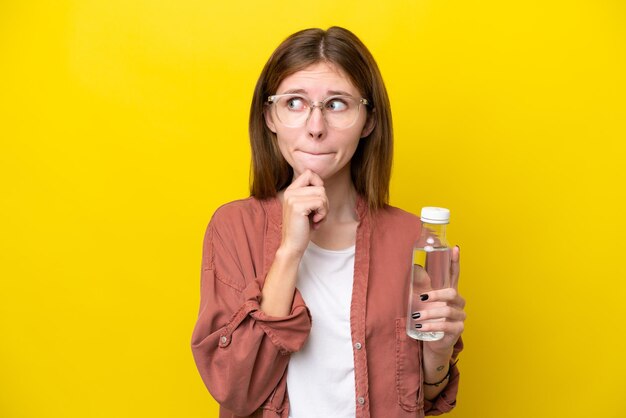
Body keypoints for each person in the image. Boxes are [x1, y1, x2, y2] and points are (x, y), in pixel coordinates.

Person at [191, 26, 466, 418]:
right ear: (269, 116)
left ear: (368, 121)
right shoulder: (234, 228)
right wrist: (289, 251)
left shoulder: (411, 238)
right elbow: (233, 389)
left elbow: (423, 394)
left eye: (336, 104)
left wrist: (438, 353)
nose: (315, 127)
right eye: (294, 103)